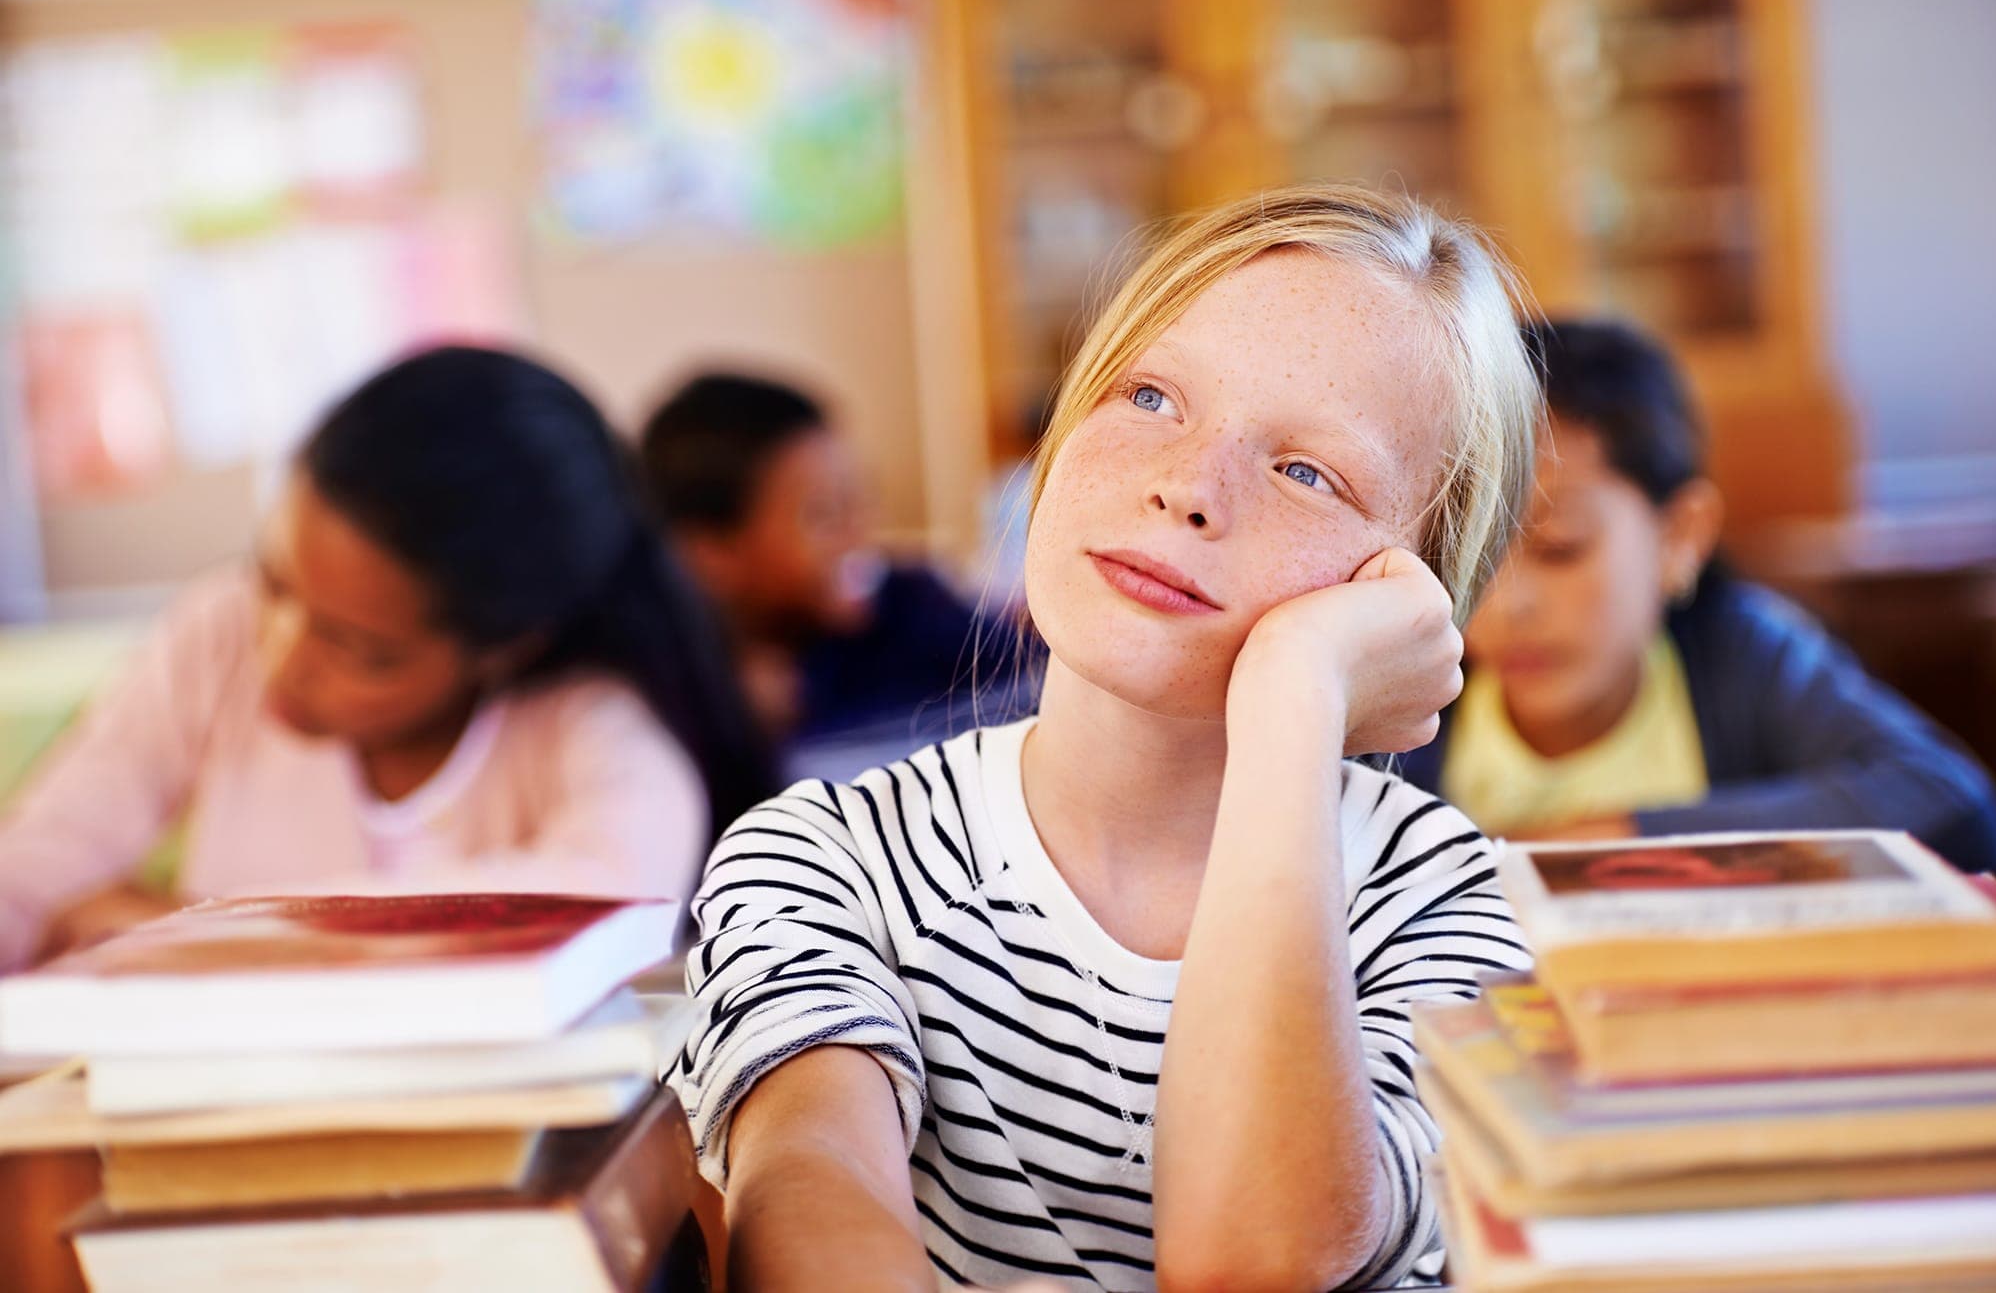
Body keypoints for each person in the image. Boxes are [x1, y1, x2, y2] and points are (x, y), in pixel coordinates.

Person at [669, 185, 1541, 1292]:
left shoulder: (1443, 900)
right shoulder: (825, 858)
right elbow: (809, 1192)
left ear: (1410, 596)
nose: (1186, 486)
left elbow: (1253, 1260)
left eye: (1305, 472)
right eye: (1148, 396)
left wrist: (1293, 691)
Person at [0, 345, 775, 970]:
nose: (284, 653)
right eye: (273, 582)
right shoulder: (219, 634)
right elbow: (38, 866)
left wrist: (181, 930)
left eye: (359, 648)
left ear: (505, 646)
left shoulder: (589, 723)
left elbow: (610, 904)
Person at [1398, 318, 1996, 873]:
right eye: (1473, 553)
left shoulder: (1746, 655)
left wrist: (1611, 838)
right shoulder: (1407, 695)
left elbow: (1952, 803)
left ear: (1680, 536)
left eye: (1561, 546)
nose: (1506, 605)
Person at [638, 373, 1007, 772]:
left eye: (859, 498)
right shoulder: (675, 696)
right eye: (824, 515)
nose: (859, 532)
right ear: (710, 553)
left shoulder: (912, 606)